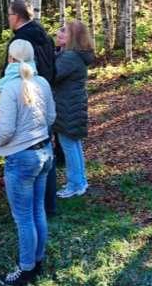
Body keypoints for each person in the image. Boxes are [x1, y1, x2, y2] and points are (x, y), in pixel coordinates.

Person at [0, 39, 56, 285]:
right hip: (44, 152)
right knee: (37, 210)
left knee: (23, 217)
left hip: (21, 157)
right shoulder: (42, 82)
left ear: (10, 59)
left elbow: (5, 130)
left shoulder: (9, 88)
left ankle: (27, 268)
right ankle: (37, 259)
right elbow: (51, 116)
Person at [6, 0, 58, 216]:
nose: (8, 18)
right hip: (43, 92)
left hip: (25, 96)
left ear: (16, 17)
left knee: (27, 149)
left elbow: (13, 71)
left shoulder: (21, 40)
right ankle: (49, 203)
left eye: (9, 14)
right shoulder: (43, 34)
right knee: (45, 147)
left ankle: (32, 204)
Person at [52, 20, 94, 198]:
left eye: (64, 32)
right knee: (73, 144)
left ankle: (75, 184)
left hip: (68, 106)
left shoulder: (69, 57)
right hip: (71, 105)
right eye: (60, 30)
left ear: (74, 38)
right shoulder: (71, 54)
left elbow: (53, 76)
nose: (59, 34)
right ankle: (80, 181)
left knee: (69, 145)